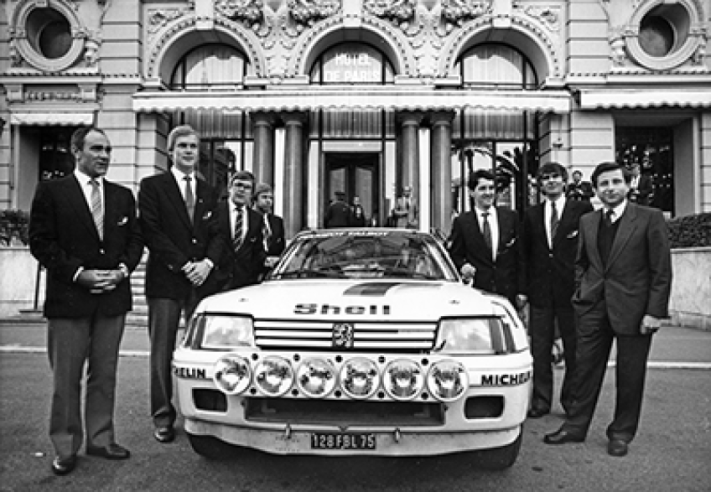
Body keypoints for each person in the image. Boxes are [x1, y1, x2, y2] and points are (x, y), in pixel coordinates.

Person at [29, 126, 144, 475]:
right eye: (96, 149)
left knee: (105, 374)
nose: (105, 156)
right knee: (66, 378)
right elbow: (41, 243)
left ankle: (101, 438)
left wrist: (123, 271)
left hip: (113, 299)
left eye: (108, 149)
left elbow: (135, 242)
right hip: (69, 300)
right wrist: (80, 274)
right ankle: (65, 446)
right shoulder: (52, 192)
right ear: (76, 152)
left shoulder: (123, 196)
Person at [543, 161, 672, 458]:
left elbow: (661, 270)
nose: (610, 188)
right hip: (592, 308)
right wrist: (581, 295)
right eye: (604, 184)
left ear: (627, 185)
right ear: (596, 189)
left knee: (630, 375)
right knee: (584, 370)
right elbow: (582, 264)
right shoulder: (588, 221)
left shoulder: (649, 218)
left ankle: (621, 433)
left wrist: (654, 312)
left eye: (616, 182)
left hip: (635, 311)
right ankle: (575, 426)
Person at [138, 125, 222, 444]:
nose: (189, 151)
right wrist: (184, 264)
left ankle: (201, 413)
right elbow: (151, 231)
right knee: (162, 353)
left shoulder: (210, 190)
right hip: (166, 281)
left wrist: (207, 264)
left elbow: (218, 234)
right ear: (170, 151)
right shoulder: (152, 186)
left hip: (201, 282)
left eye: (194, 146)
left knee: (203, 352)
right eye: (183, 146)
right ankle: (162, 416)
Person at [519, 162, 593, 419]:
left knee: (574, 349)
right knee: (540, 349)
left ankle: (571, 401)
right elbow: (525, 255)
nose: (550, 182)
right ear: (539, 185)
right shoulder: (530, 214)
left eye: (555, 177)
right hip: (540, 292)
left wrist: (587, 286)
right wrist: (523, 290)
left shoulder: (581, 210)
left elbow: (589, 251)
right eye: (545, 178)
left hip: (571, 293)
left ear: (564, 182)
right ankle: (541, 401)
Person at [448, 169, 520, 307]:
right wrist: (463, 266)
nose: (488, 193)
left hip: (507, 293)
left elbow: (520, 256)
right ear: (471, 192)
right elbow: (455, 254)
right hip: (476, 292)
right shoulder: (462, 222)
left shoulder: (510, 217)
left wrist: (522, 291)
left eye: (491, 188)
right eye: (482, 188)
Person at [210, 171, 267, 290]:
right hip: (214, 283)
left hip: (244, 284)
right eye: (238, 185)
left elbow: (257, 251)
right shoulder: (214, 211)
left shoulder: (256, 219)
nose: (241, 190)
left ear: (251, 194)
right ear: (229, 188)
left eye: (247, 187)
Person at [253, 182, 285, 270]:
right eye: (264, 197)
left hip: (272, 270)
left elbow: (282, 247)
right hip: (252, 269)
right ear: (255, 199)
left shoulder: (277, 221)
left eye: (271, 198)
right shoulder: (248, 219)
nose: (268, 201)